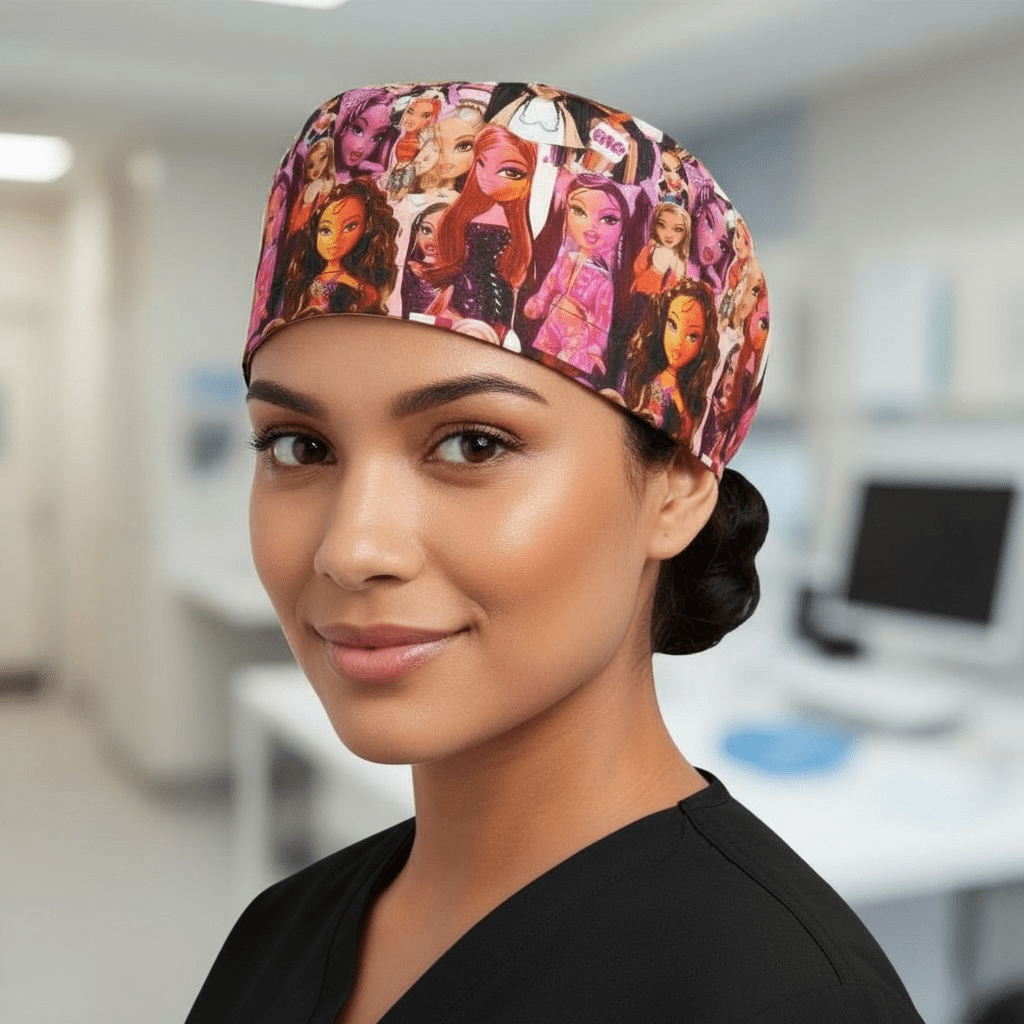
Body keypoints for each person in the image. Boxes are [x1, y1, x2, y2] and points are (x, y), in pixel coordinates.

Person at [189, 81, 925, 1024]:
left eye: (472, 444)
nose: (352, 548)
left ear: (678, 488)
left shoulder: (789, 1000)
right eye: (299, 446)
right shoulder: (280, 932)